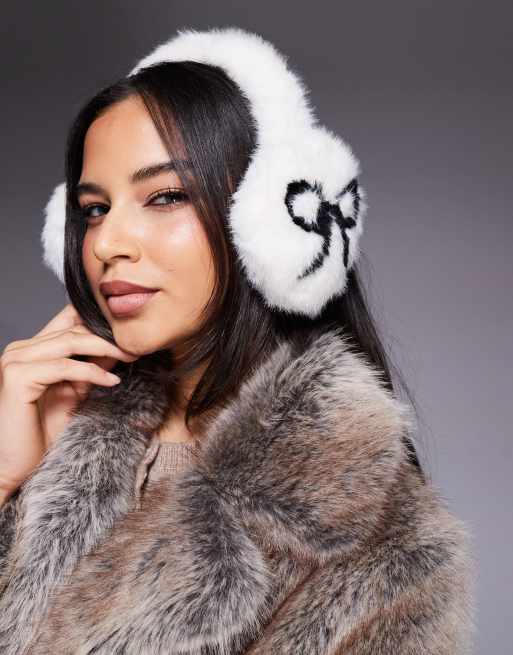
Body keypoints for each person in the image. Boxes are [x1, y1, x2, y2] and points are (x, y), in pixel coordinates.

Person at [0, 27, 475, 654]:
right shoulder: (50, 440)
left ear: (268, 222)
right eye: (94, 209)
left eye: (165, 196)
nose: (107, 242)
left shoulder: (394, 556)